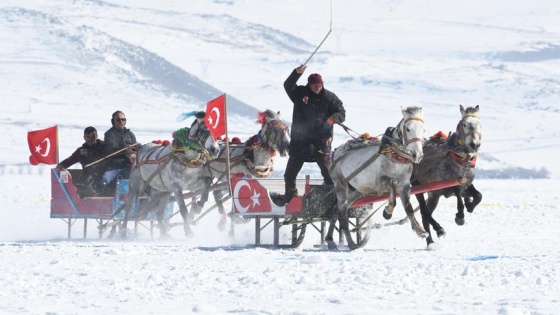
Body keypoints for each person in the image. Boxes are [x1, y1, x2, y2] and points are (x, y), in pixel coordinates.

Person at [282, 64, 346, 205]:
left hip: (321, 142)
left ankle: (330, 200)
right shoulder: (299, 93)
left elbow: (342, 112)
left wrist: (333, 118)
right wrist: (296, 73)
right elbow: (288, 85)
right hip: (300, 142)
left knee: (329, 174)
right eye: (315, 85)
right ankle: (291, 199)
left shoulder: (330, 97)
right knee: (289, 174)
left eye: (320, 85)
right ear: (309, 85)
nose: (318, 88)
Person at [56, 126, 106, 196]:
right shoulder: (81, 151)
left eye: (93, 136)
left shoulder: (104, 147)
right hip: (88, 176)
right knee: (81, 186)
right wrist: (62, 165)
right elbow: (71, 160)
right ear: (84, 137)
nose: (90, 139)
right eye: (88, 137)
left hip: (103, 175)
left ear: (96, 136)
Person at [100, 110, 138, 196]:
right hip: (114, 167)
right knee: (104, 182)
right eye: (118, 120)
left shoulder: (130, 134)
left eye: (123, 119)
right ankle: (104, 204)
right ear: (113, 121)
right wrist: (125, 149)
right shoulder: (109, 134)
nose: (121, 122)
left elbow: (135, 149)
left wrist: (136, 149)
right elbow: (111, 150)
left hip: (129, 166)